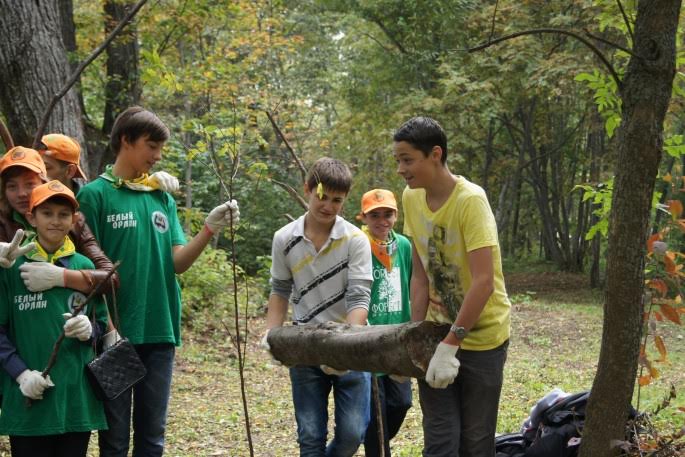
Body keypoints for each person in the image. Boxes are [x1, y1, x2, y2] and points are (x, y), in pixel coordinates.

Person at [77, 106, 239, 457]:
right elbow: (86, 266)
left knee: (153, 436)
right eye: (151, 145)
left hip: (160, 329)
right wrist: (102, 326)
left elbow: (176, 263)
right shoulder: (94, 196)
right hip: (114, 335)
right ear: (126, 140)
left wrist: (209, 228)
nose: (158, 155)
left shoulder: (161, 197)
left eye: (159, 147)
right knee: (115, 438)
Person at [393, 116, 511, 456]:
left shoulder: (470, 200)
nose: (401, 169)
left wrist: (452, 343)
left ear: (435, 154)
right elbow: (420, 274)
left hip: (484, 338)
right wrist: (414, 337)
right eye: (397, 160)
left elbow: (484, 282)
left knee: (476, 441)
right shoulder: (411, 198)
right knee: (441, 439)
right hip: (435, 333)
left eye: (407, 159)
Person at [261, 157, 373, 457]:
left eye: (337, 200)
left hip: (351, 343)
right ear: (308, 189)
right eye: (322, 196)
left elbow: (360, 295)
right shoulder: (284, 238)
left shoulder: (356, 240)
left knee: (352, 434)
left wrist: (346, 343)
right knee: (310, 435)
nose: (328, 206)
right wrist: (272, 336)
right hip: (305, 344)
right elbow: (280, 289)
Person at [0, 180, 108, 457]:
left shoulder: (83, 268)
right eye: (47, 213)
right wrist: (21, 374)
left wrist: (90, 330)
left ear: (74, 220)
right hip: (28, 396)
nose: (56, 221)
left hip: (75, 397)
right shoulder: (11, 268)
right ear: (31, 217)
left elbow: (102, 326)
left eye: (63, 214)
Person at [0, 146, 117, 297]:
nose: (21, 193)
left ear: (43, 182)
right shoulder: (2, 223)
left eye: (29, 184)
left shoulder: (73, 222)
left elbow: (110, 278)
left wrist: (62, 277)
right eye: (12, 186)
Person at [358, 188, 413, 457]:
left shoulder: (403, 245)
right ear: (364, 217)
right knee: (375, 408)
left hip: (399, 339)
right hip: (369, 339)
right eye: (375, 215)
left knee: (402, 402)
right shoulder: (358, 244)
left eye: (388, 214)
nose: (382, 220)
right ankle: (377, 448)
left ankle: (373, 441)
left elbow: (414, 284)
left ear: (396, 215)